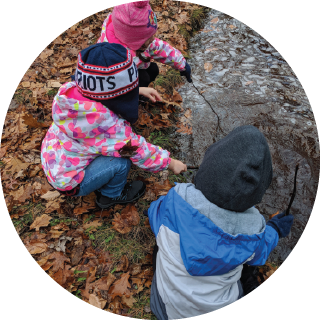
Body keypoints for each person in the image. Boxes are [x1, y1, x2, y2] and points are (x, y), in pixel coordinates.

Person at [147, 125, 294, 319]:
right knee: (249, 271)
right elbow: (262, 250)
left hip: (165, 309)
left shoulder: (176, 200)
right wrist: (275, 228)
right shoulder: (254, 231)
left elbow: (153, 214)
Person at [41, 42, 187, 209]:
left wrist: (138, 90)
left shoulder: (69, 95)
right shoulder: (108, 127)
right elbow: (138, 150)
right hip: (70, 182)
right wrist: (170, 162)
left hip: (54, 158)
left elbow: (106, 94)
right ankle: (111, 196)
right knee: (121, 163)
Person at [97, 1, 192, 88]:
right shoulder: (110, 58)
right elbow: (106, 87)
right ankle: (138, 100)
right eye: (148, 37)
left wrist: (182, 64)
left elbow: (161, 49)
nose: (153, 39)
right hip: (117, 88)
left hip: (134, 69)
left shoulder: (138, 42)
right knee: (144, 78)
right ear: (134, 40)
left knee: (153, 69)